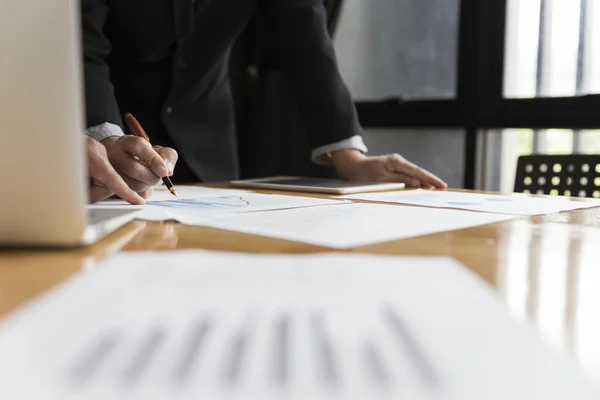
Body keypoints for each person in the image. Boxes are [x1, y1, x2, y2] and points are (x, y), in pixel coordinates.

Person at [82, 0, 447, 204]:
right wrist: (106, 137)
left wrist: (349, 159)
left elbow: (305, 35)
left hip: (210, 143)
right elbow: (83, 45)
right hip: (113, 137)